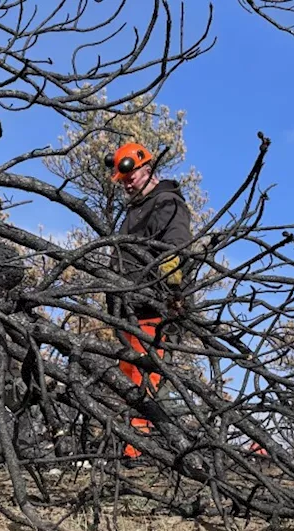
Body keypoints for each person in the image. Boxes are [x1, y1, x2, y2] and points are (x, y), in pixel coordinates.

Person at [104, 141, 194, 459]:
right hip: (127, 311)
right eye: (122, 178)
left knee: (144, 378)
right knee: (128, 375)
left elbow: (176, 250)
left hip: (150, 309)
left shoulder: (166, 203)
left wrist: (173, 295)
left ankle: (137, 451)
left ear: (148, 167)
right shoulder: (135, 210)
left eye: (131, 174)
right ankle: (128, 446)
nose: (127, 181)